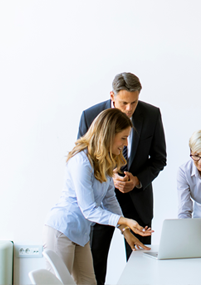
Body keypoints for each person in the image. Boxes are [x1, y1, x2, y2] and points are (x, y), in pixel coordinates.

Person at [44, 109, 152, 285]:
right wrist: (124, 221)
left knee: (89, 282)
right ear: (109, 135)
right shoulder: (81, 162)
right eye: (123, 138)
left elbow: (110, 200)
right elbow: (89, 210)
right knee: (59, 283)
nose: (125, 144)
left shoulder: (104, 161)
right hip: (61, 230)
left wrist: (126, 232)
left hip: (81, 234)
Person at [78, 72, 166, 285]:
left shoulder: (151, 114)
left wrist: (136, 180)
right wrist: (110, 178)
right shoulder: (90, 116)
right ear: (112, 95)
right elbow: (82, 159)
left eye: (133, 103)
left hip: (138, 202)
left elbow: (159, 159)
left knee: (142, 264)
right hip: (101, 203)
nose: (129, 109)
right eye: (124, 103)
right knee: (95, 264)